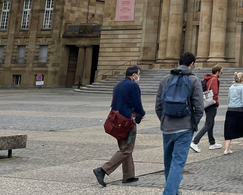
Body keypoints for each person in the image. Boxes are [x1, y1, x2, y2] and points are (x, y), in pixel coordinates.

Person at [155, 52, 204, 195]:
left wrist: (165, 120)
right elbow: (199, 108)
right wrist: (192, 124)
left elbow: (158, 106)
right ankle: (169, 193)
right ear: (192, 64)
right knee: (177, 163)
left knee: (168, 162)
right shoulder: (194, 80)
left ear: (179, 62)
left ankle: (173, 191)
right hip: (184, 127)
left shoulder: (165, 79)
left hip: (167, 127)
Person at [93, 66, 146, 187]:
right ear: (133, 75)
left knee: (125, 147)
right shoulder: (133, 86)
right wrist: (142, 114)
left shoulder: (117, 85)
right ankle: (103, 170)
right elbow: (137, 103)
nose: (138, 76)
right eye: (138, 74)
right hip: (127, 121)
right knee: (127, 149)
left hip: (117, 120)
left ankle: (128, 175)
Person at [191, 65, 223, 153]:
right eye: (221, 72)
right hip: (211, 103)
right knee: (209, 124)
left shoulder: (207, 78)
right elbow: (215, 92)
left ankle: (212, 143)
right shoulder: (214, 79)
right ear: (217, 72)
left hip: (206, 102)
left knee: (210, 122)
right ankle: (195, 141)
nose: (221, 74)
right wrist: (216, 103)